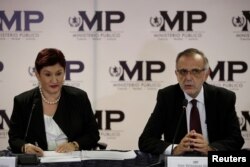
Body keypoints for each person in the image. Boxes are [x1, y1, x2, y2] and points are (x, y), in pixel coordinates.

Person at [138, 48, 244, 156]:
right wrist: (175, 149)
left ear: (206, 74)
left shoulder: (223, 98)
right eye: (183, 72)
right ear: (176, 74)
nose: (188, 78)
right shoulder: (167, 97)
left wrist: (211, 149)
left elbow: (236, 139)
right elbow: (145, 140)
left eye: (195, 71)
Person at [8, 48, 100, 156]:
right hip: (38, 162)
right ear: (37, 75)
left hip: (73, 161)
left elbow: (93, 134)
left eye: (58, 73)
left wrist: (74, 145)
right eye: (48, 75)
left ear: (64, 72)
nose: (54, 80)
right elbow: (14, 139)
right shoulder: (23, 101)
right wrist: (25, 147)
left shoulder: (79, 98)